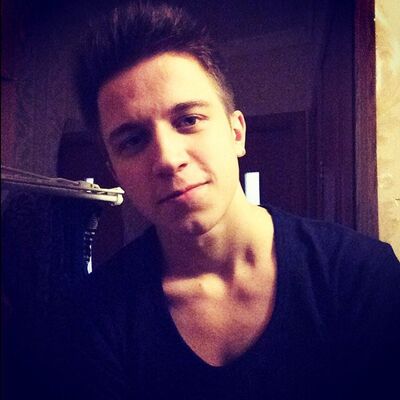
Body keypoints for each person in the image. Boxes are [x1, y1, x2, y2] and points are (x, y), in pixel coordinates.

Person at [54, 2, 400, 399]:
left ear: (236, 133)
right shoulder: (92, 318)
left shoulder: (362, 277)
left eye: (188, 120)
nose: (167, 159)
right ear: (115, 172)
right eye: (133, 141)